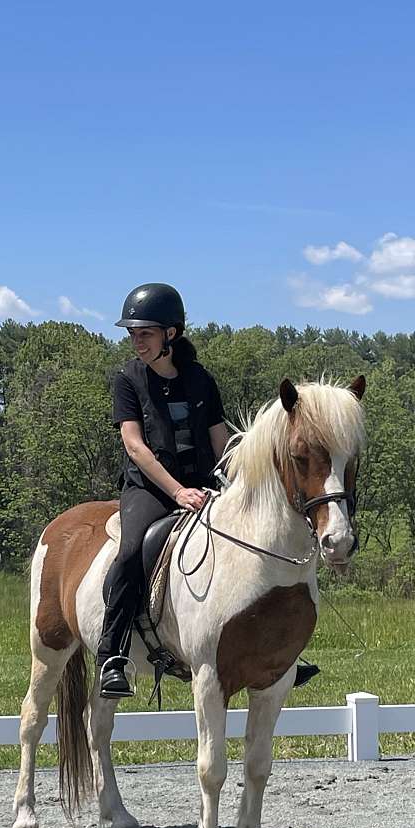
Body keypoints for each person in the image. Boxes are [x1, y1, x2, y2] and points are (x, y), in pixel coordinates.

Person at [96, 282, 319, 698]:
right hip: (150, 489)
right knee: (131, 553)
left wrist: (242, 485)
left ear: (171, 334)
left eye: (144, 332)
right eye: (132, 333)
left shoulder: (201, 380)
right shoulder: (128, 380)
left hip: (206, 486)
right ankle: (113, 654)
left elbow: (221, 442)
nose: (136, 341)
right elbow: (134, 446)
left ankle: (277, 652)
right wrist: (178, 492)